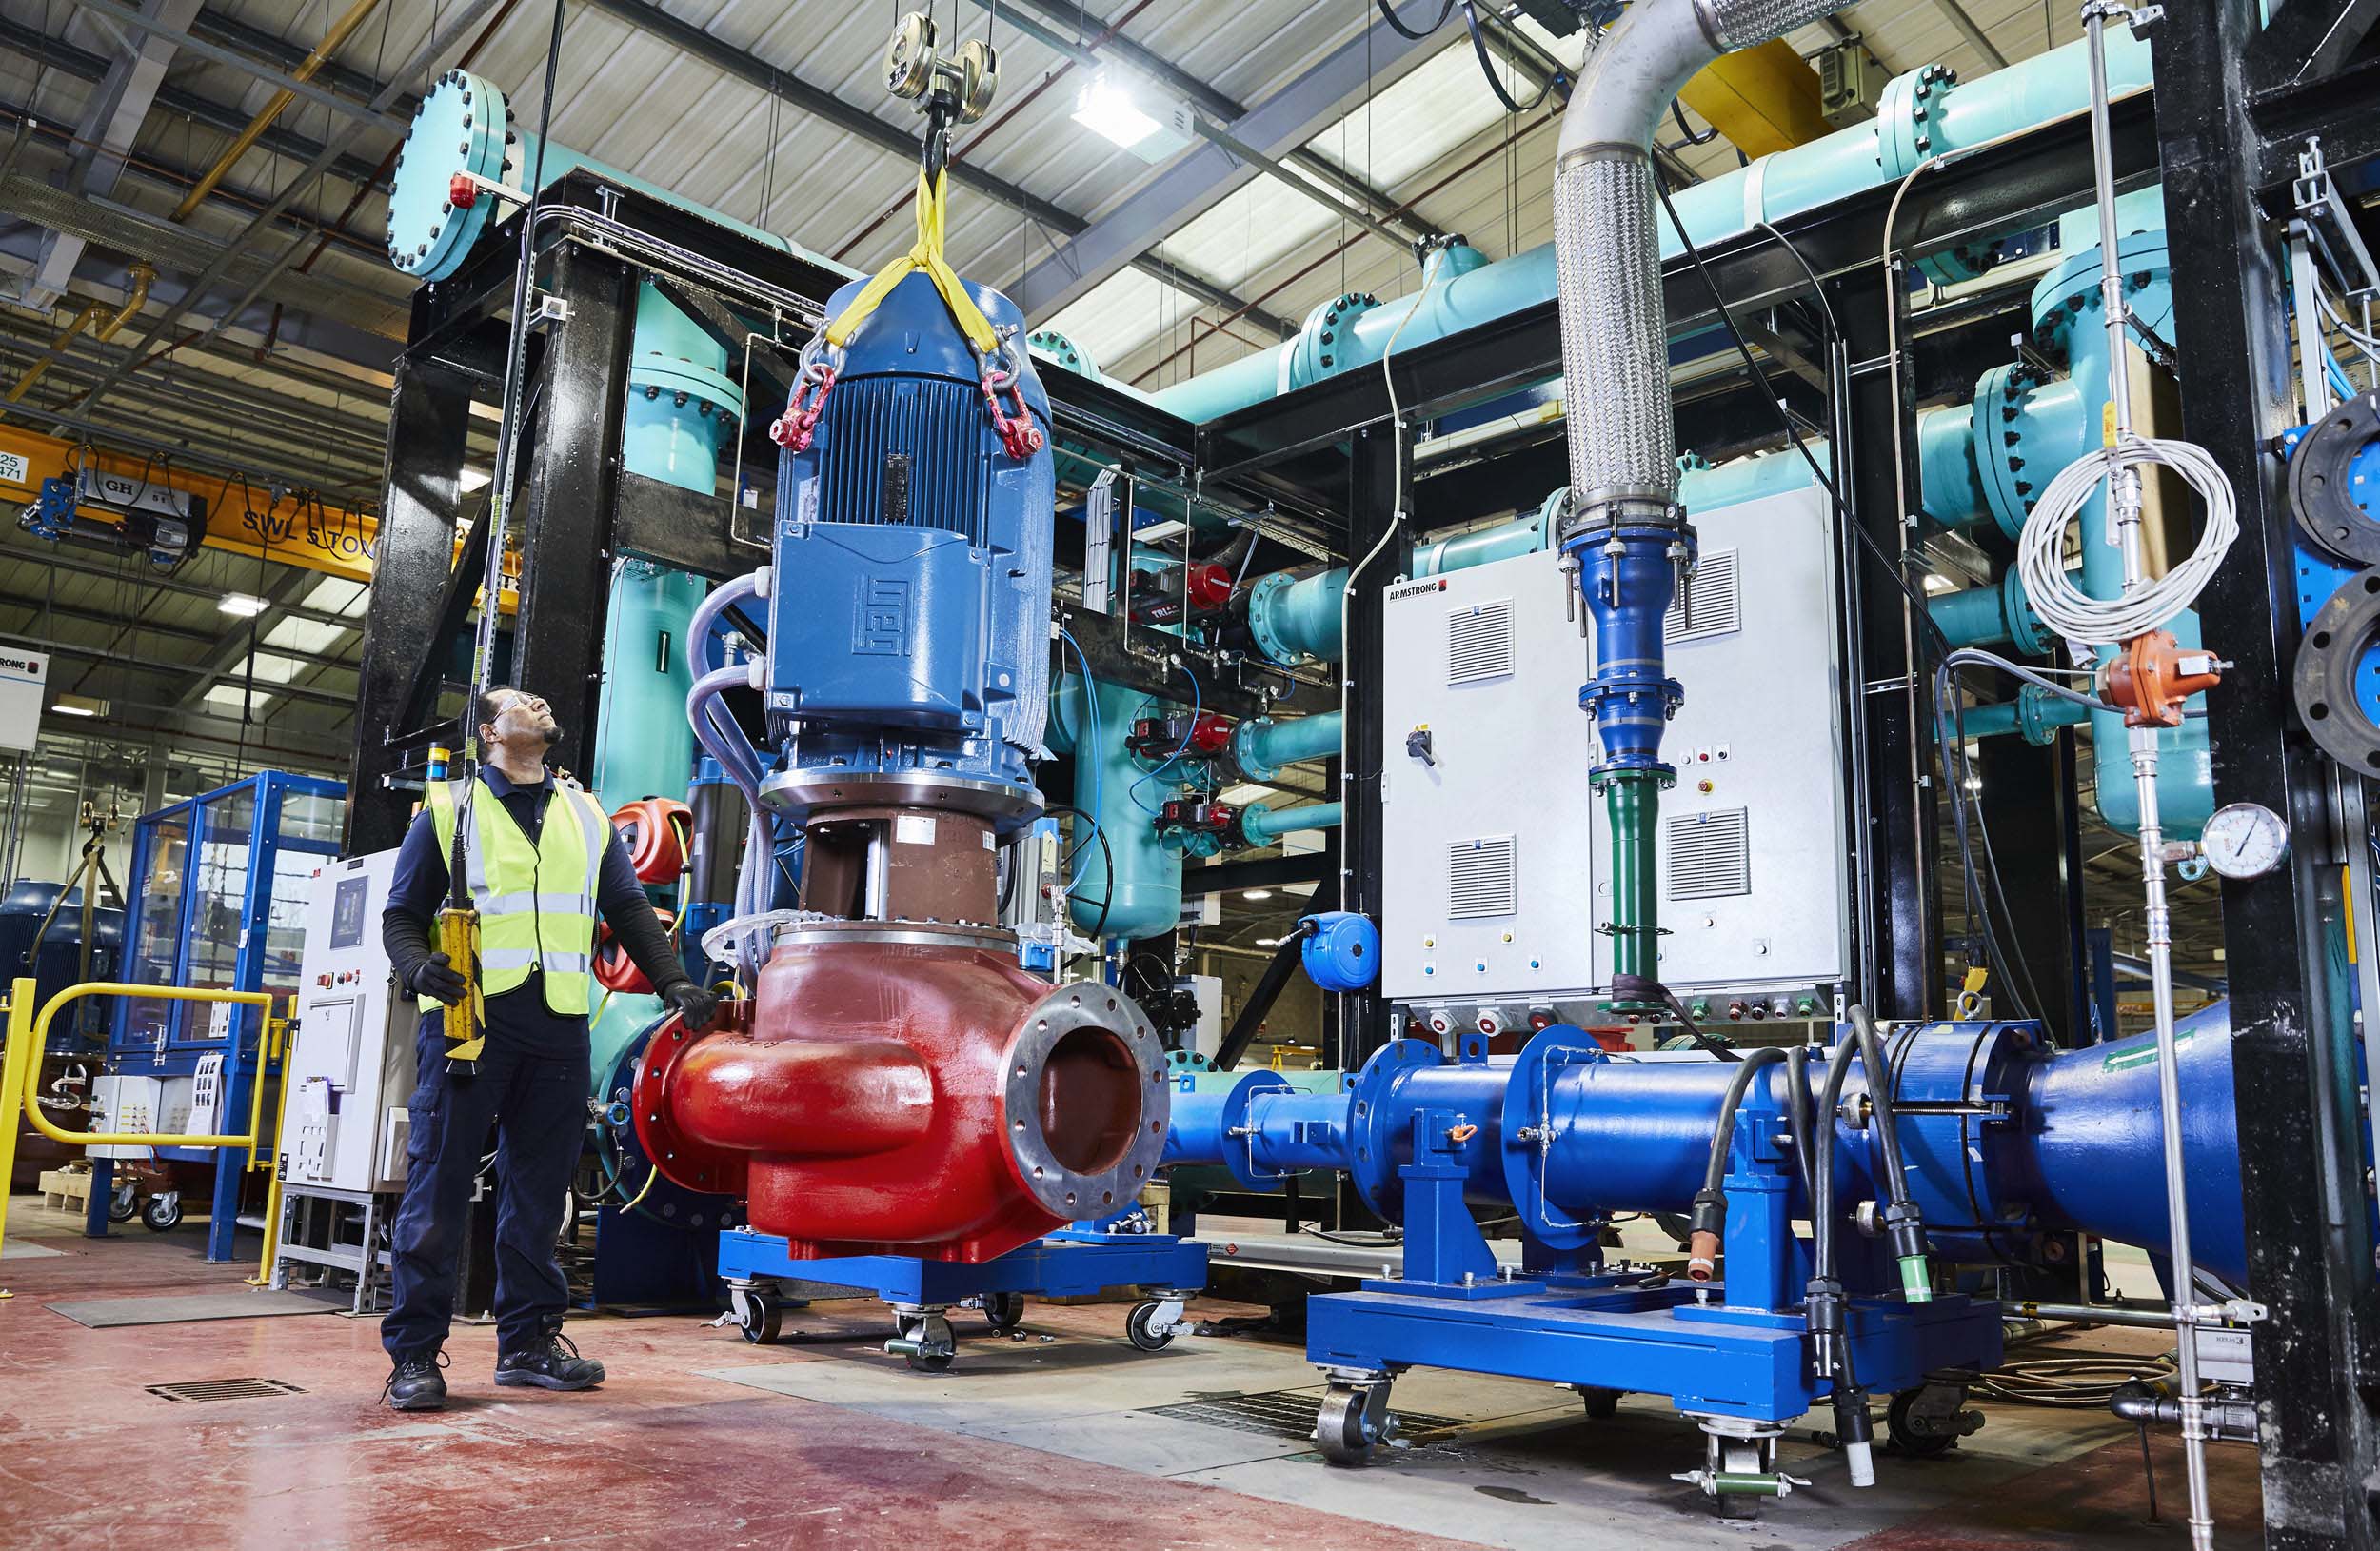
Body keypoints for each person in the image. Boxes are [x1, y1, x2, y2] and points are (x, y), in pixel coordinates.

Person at [377, 687, 719, 1411]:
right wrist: (415, 966)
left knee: (538, 1195)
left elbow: (625, 907)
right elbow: (402, 916)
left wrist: (673, 979)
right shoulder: (448, 811)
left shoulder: (585, 813)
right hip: (470, 1024)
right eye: (522, 701)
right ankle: (413, 1353)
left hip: (560, 1025)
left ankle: (527, 1343)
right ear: (490, 730)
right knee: (438, 1189)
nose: (540, 703)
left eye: (543, 698)